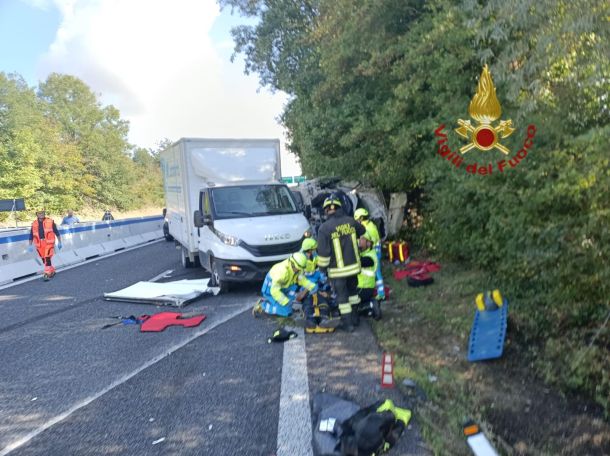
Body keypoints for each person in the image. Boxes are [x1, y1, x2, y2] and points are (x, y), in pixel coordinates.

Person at [317, 194, 366, 331]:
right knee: (353, 293)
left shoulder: (324, 228)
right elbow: (362, 230)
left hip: (337, 271)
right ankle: (355, 319)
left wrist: (322, 269)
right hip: (354, 268)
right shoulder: (351, 221)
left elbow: (323, 254)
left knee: (342, 297)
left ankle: (347, 324)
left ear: (326, 210)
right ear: (340, 208)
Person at [255, 252, 317, 317]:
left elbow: (301, 279)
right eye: (298, 269)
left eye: (300, 269)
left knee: (293, 295)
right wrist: (285, 302)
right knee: (286, 312)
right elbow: (274, 291)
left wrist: (312, 286)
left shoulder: (297, 269)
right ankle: (262, 306)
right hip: (270, 290)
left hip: (282, 287)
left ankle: (279, 304)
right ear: (293, 264)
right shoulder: (282, 272)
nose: (300, 270)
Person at [299, 238, 339, 331]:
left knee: (323, 303)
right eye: (314, 249)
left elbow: (322, 274)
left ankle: (324, 320)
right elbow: (299, 284)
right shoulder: (301, 261)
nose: (315, 251)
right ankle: (310, 321)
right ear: (309, 250)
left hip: (320, 289)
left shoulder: (315, 258)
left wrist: (325, 291)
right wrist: (307, 289)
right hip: (307, 290)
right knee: (308, 305)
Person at [354, 208, 385, 300]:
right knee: (375, 272)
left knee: (377, 272)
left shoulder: (368, 228)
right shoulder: (369, 225)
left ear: (361, 218)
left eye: (357, 220)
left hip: (374, 251)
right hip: (373, 250)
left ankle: (381, 294)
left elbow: (367, 242)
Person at [28, 209, 62, 279]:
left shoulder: (50, 221)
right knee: (44, 259)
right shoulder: (34, 223)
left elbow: (56, 232)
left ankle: (47, 273)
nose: (41, 214)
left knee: (47, 257)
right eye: (39, 213)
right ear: (37, 214)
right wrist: (30, 245)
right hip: (39, 244)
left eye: (42, 213)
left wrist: (59, 242)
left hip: (49, 243)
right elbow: (31, 235)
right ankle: (52, 270)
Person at [356, 231, 382, 320]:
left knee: (350, 308)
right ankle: (369, 305)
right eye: (359, 238)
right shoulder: (364, 253)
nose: (359, 241)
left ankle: (371, 305)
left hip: (364, 288)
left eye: (362, 239)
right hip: (361, 287)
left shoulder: (371, 256)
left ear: (369, 243)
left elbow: (361, 262)